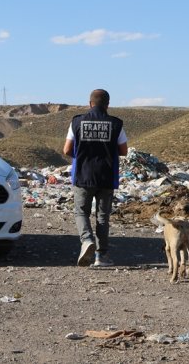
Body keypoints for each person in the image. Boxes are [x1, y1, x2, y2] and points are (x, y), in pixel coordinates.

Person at [63, 89, 128, 267]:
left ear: (90, 104)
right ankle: (101, 256)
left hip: (83, 175)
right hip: (106, 177)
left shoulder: (76, 121)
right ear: (107, 105)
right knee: (102, 216)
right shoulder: (116, 124)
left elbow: (67, 150)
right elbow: (124, 151)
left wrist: (82, 153)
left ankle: (86, 240)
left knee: (81, 211)